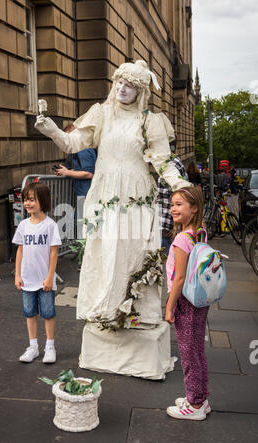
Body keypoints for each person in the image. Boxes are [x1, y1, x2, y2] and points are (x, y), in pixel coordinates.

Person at [35, 60, 192, 380]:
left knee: (136, 253)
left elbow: (163, 162)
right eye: (120, 82)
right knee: (107, 255)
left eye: (130, 85)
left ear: (141, 91)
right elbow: (71, 143)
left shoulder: (151, 121)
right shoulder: (101, 114)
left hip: (137, 196)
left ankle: (138, 314)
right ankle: (107, 312)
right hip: (105, 197)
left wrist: (181, 185)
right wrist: (47, 124)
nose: (122, 89)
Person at [165, 186, 211, 420]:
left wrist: (169, 305)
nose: (173, 208)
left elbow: (179, 277)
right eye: (172, 204)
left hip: (185, 300)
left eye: (179, 204)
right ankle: (201, 398)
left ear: (194, 208)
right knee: (197, 350)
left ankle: (194, 405)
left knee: (188, 353)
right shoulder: (200, 232)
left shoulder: (182, 239)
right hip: (200, 298)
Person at [13, 182, 62, 364]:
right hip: (27, 279)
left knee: (48, 313)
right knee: (29, 313)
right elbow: (20, 251)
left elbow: (53, 252)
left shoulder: (50, 226)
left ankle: (50, 346)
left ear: (43, 201)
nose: (28, 203)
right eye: (26, 199)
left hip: (45, 280)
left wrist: (50, 276)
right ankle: (32, 346)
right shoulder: (24, 225)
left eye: (32, 199)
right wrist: (17, 275)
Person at [158, 139, 189, 256]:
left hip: (167, 226)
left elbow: (180, 197)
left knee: (169, 268)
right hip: (168, 225)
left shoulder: (171, 166)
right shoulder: (172, 163)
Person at [55, 124, 97, 198]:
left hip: (87, 195)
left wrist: (67, 172)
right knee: (80, 209)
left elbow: (89, 174)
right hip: (82, 194)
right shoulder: (77, 150)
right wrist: (64, 171)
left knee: (81, 210)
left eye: (68, 137)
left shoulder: (84, 150)